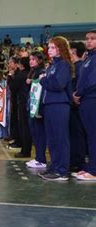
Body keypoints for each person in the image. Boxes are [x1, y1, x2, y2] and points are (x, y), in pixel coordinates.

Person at [38, 37, 73, 181]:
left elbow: (58, 85)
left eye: (52, 47)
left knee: (60, 138)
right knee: (52, 139)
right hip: (50, 105)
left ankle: (62, 170)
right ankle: (54, 166)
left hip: (59, 104)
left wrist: (43, 80)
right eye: (49, 47)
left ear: (60, 48)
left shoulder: (63, 65)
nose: (49, 50)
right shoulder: (53, 66)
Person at [73, 30, 96, 180]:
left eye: (93, 39)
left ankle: (94, 171)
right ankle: (90, 166)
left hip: (92, 98)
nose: (89, 41)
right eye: (87, 39)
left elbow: (93, 82)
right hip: (84, 99)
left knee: (94, 135)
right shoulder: (88, 58)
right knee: (89, 135)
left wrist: (79, 93)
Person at [68, 41, 87, 173]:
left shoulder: (79, 67)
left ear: (73, 52)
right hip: (72, 106)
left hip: (77, 107)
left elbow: (79, 87)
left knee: (77, 134)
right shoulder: (75, 67)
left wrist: (75, 96)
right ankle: (75, 160)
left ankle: (78, 161)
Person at [26, 51, 47, 168]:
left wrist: (39, 109)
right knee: (35, 133)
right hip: (32, 106)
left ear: (39, 60)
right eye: (30, 59)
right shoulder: (33, 72)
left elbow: (41, 91)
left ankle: (41, 159)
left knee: (40, 134)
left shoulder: (41, 72)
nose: (31, 61)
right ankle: (38, 157)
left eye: (33, 59)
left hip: (38, 108)